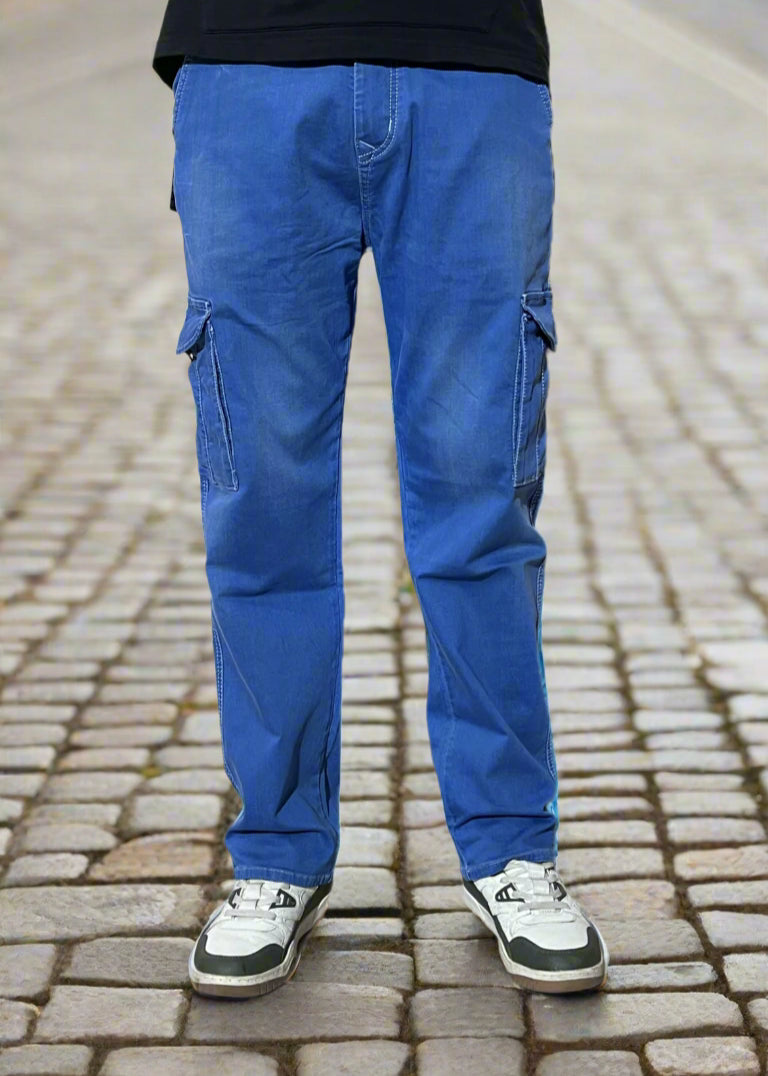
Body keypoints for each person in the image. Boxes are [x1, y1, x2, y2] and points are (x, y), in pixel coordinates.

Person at [152, 1, 609, 999]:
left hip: (470, 56)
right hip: (250, 57)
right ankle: (278, 853)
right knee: (262, 497)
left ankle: (510, 846)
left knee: (481, 491)